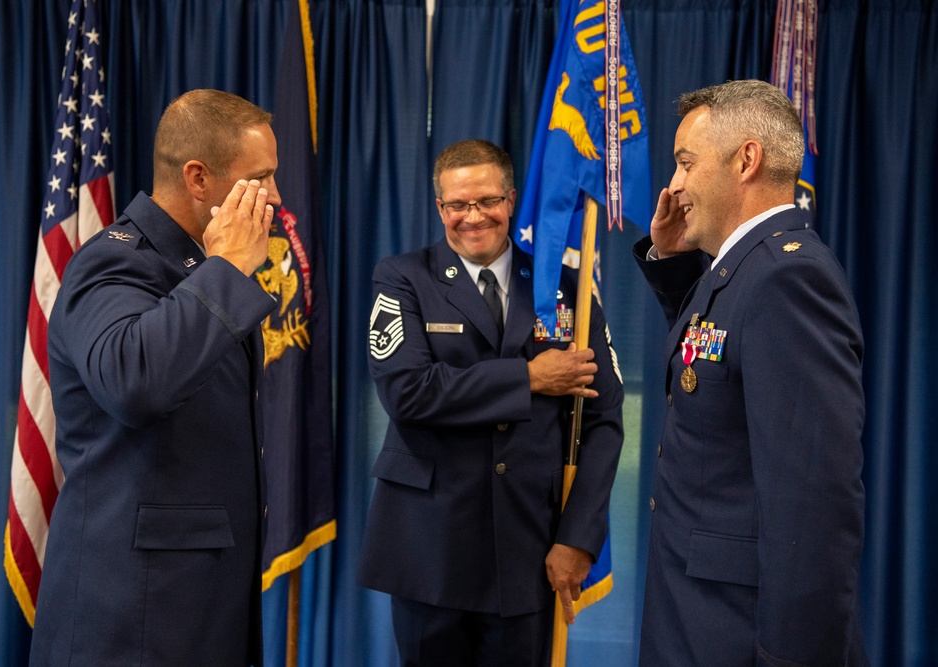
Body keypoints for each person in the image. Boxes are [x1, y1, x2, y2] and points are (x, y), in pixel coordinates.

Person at [30, 89, 281, 665]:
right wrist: (225, 270)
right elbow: (135, 381)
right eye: (262, 178)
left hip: (199, 603)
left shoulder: (193, 264)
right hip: (131, 613)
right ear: (198, 178)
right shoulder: (113, 261)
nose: (275, 198)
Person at [358, 139, 624, 665]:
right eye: (458, 204)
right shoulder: (403, 278)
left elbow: (603, 422)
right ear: (440, 208)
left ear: (510, 199)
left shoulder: (564, 288)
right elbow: (407, 392)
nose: (473, 217)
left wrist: (578, 537)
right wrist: (526, 378)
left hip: (529, 549)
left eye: (487, 201)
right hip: (429, 548)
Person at [634, 80, 867, 666]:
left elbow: (812, 505)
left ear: (746, 159)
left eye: (685, 163)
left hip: (737, 634)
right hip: (697, 614)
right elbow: (707, 366)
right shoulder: (738, 270)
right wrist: (673, 262)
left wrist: (793, 657)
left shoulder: (787, 280)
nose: (674, 185)